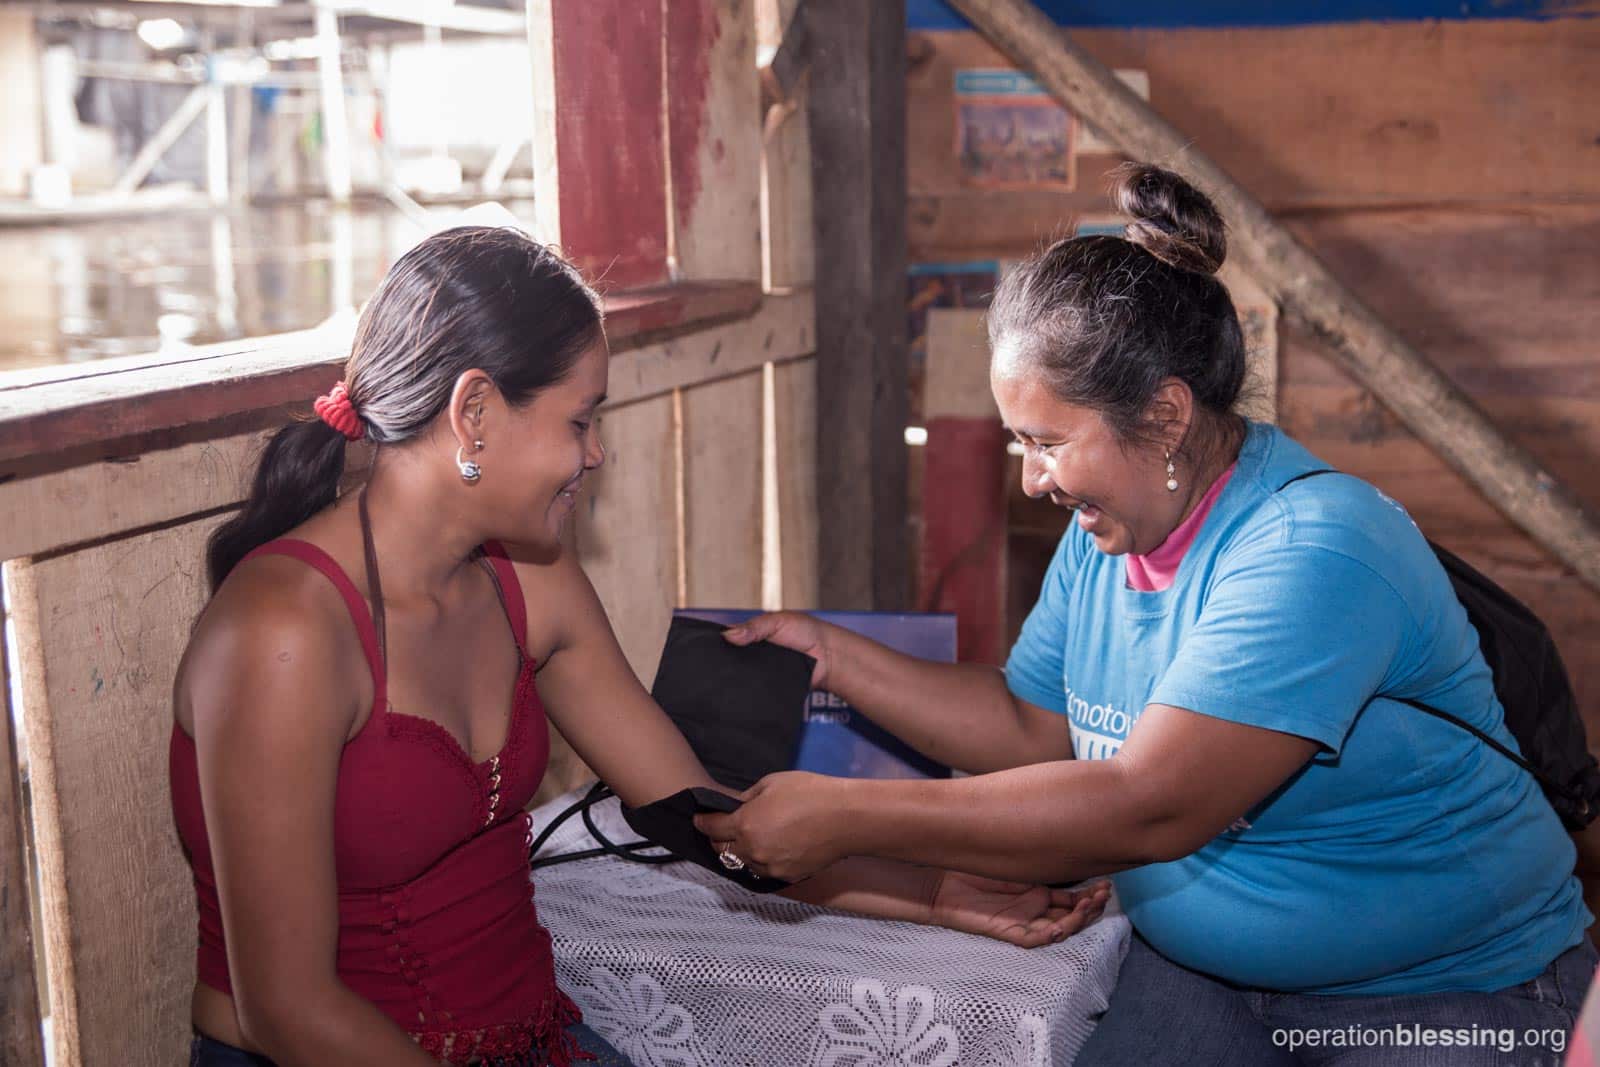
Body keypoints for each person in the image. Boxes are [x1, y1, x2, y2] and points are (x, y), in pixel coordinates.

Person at [698, 165, 1596, 1066]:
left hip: (1445, 988)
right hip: (1209, 975)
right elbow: (1033, 725)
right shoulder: (1110, 534)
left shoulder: (1312, 552)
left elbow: (1147, 806)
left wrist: (851, 816)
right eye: (1020, 442)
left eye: (1048, 443)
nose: (1030, 479)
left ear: (1165, 416)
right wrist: (837, 658)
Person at [169, 225, 1109, 1067]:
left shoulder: (527, 580)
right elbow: (288, 1010)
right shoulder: (287, 634)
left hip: (531, 1035)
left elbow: (701, 817)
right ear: (474, 412)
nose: (595, 453)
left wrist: (935, 892)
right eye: (580, 419)